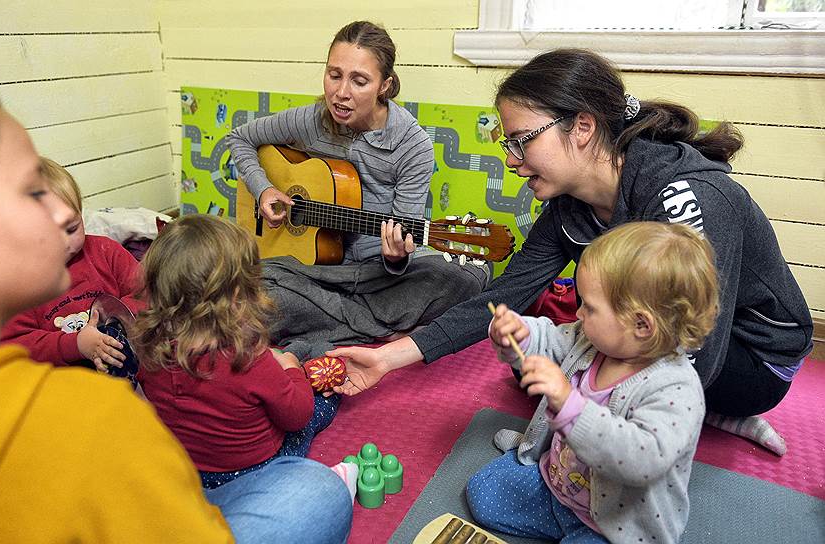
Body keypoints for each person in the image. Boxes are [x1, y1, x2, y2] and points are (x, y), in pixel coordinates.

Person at [330, 48, 813, 456]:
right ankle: (707, 416)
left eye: (520, 141)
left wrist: (578, 440)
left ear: (581, 127)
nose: (511, 161)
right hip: (665, 337)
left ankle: (721, 412)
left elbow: (697, 350)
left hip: (750, 358)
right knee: (531, 357)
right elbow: (503, 297)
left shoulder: (685, 197)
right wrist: (388, 358)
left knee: (585, 350)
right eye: (507, 144)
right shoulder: (569, 206)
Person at [0, 86, 352, 543]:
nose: (61, 213)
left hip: (192, 468)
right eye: (32, 191)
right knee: (318, 488)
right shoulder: (94, 412)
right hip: (239, 474)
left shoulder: (130, 337)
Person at [228, 20, 488, 359]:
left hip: (375, 274)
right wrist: (263, 190)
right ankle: (377, 324)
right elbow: (240, 137)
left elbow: (403, 241)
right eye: (334, 75)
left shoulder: (413, 146)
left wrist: (396, 256)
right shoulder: (312, 120)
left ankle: (335, 319)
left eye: (359, 80)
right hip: (311, 268)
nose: (341, 92)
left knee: (470, 276)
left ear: (385, 85)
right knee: (241, 287)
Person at [467, 222, 717, 543]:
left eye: (589, 306)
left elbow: (640, 461)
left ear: (641, 324)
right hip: (556, 487)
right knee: (483, 492)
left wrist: (570, 407)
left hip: (615, 525)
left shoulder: (675, 389)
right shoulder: (593, 338)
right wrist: (521, 334)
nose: (579, 312)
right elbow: (550, 340)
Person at [132, 214, 351, 492]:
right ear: (237, 296)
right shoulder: (248, 358)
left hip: (189, 469)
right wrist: (292, 368)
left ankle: (298, 353)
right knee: (320, 403)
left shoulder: (148, 345)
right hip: (256, 471)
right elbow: (297, 415)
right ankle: (301, 357)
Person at [0, 157, 138, 372]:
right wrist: (75, 345)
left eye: (72, 228)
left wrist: (121, 318)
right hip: (67, 383)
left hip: (128, 362)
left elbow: (147, 293)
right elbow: (16, 346)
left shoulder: (106, 252)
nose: (64, 243)